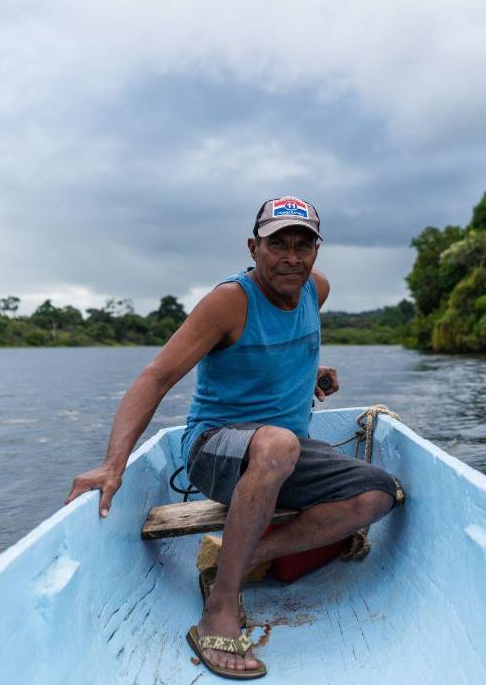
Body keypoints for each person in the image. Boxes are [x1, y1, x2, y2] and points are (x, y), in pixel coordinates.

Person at [63, 196, 400, 679]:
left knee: (378, 495)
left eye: (302, 245)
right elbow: (156, 377)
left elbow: (282, 350)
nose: (291, 256)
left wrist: (309, 375)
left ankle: (238, 559)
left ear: (316, 252)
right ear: (253, 247)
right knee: (278, 444)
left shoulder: (315, 290)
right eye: (277, 243)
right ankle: (219, 608)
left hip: (280, 452)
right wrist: (112, 464)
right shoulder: (230, 301)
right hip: (214, 449)